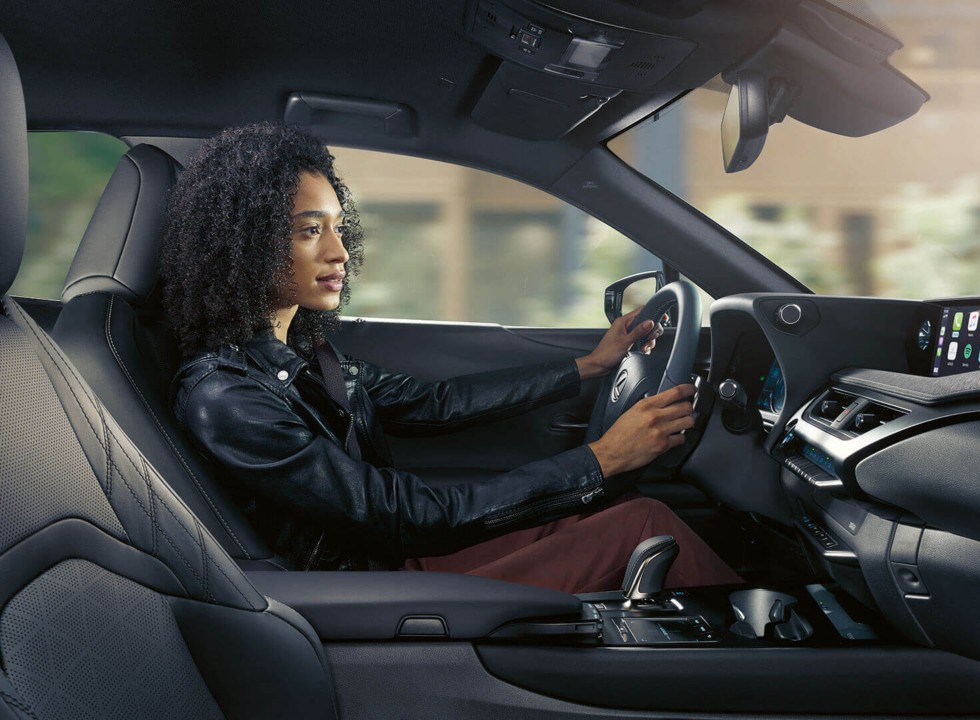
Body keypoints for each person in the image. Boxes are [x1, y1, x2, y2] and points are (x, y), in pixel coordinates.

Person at [161, 123, 742, 593]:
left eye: (339, 227)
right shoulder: (226, 398)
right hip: (363, 592)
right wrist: (600, 458)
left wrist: (586, 368)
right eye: (309, 231)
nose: (340, 252)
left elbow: (435, 402)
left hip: (389, 562)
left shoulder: (303, 353)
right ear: (242, 241)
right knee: (642, 525)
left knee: (619, 508)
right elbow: (399, 513)